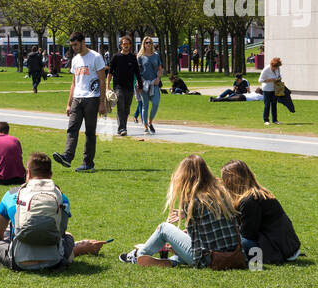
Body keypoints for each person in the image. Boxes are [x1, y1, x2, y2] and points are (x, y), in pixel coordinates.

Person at [119, 154, 241, 268]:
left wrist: (179, 242)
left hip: (207, 259)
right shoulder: (220, 193)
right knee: (183, 246)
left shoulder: (195, 200)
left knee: (164, 228)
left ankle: (138, 255)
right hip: (233, 255)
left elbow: (197, 242)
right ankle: (172, 261)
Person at [221, 160, 301, 265]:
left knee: (233, 240)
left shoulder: (250, 200)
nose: (223, 184)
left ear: (232, 180)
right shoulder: (259, 193)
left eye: (224, 180)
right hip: (288, 245)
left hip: (280, 249)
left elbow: (248, 234)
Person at [52, 32, 106, 173]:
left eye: (76, 44)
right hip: (77, 98)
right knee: (72, 128)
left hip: (92, 98)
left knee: (89, 132)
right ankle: (67, 157)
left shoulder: (96, 57)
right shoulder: (75, 60)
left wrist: (102, 102)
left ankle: (88, 163)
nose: (74, 47)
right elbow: (73, 83)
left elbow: (102, 80)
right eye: (72, 45)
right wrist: (69, 103)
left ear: (83, 41)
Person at [107, 35, 143, 137]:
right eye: (124, 44)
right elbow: (110, 72)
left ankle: (124, 127)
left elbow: (137, 72)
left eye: (127, 44)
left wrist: (139, 84)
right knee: (120, 107)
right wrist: (107, 86)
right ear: (121, 45)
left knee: (127, 109)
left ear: (130, 45)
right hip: (118, 86)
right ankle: (121, 128)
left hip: (129, 87)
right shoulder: (116, 57)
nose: (126, 46)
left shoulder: (133, 58)